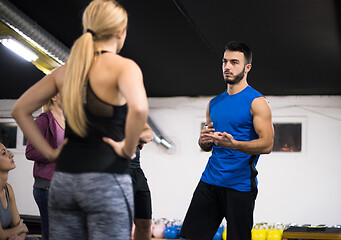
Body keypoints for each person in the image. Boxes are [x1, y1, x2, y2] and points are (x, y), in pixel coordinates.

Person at [11, 0, 148, 239]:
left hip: (63, 181)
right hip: (106, 179)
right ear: (120, 31)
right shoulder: (124, 67)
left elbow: (20, 110)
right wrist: (126, 149)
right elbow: (138, 109)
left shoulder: (65, 72)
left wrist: (52, 154)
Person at [179, 41, 274, 240]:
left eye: (234, 62)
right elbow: (207, 146)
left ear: (247, 67)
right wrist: (203, 141)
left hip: (240, 185)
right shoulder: (214, 103)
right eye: (224, 62)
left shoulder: (257, 102)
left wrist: (235, 145)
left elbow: (267, 144)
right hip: (210, 181)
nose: (227, 67)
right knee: (191, 237)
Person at [25, 93, 65, 240]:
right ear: (54, 97)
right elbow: (30, 152)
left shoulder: (71, 121)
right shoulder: (44, 120)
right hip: (47, 187)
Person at [0, 143, 39, 240]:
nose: (11, 155)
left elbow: (22, 229)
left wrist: (20, 237)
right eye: (4, 153)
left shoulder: (8, 189)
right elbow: (1, 235)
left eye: (8, 150)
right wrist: (20, 228)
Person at [131, 123, 154, 240]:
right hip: (115, 170)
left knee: (145, 223)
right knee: (119, 223)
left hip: (137, 171)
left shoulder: (130, 111)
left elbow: (148, 135)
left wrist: (130, 138)